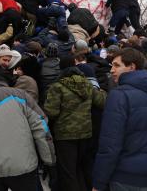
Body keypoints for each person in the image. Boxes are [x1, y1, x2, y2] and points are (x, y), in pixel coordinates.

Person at [92, 48, 147, 191]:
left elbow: (110, 145)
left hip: (126, 179)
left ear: (132, 67)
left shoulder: (118, 96)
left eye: (117, 65)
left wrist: (98, 183)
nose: (111, 70)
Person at [45, 55, 106, 191]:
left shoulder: (57, 86)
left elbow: (51, 112)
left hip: (65, 135)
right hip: (85, 133)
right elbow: (102, 102)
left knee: (68, 172)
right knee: (80, 167)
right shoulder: (87, 84)